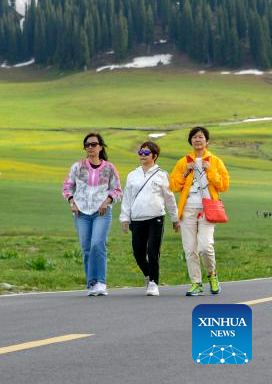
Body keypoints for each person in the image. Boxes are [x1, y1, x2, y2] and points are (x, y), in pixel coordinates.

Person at [168, 126, 230, 296]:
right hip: (187, 210)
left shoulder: (216, 161)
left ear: (206, 141)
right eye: (194, 137)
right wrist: (187, 171)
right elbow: (173, 186)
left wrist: (210, 170)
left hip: (208, 209)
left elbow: (224, 185)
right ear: (191, 141)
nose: (197, 139)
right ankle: (196, 283)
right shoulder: (183, 162)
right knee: (190, 249)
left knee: (205, 247)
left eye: (201, 137)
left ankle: (212, 274)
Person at [63, 132, 122, 296]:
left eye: (94, 144)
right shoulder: (77, 166)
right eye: (87, 145)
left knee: (97, 244)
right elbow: (67, 187)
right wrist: (72, 202)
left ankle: (101, 282)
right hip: (81, 213)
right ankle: (92, 283)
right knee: (86, 248)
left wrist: (107, 201)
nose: (90, 147)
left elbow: (117, 190)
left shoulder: (109, 168)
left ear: (100, 147)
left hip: (101, 212)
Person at [119, 140, 179, 296]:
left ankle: (153, 282)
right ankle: (147, 275)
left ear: (154, 156)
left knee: (152, 251)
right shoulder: (133, 175)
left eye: (146, 153)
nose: (142, 155)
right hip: (137, 219)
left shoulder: (162, 175)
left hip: (156, 218)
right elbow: (127, 198)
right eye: (141, 152)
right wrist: (125, 218)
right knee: (138, 253)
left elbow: (169, 198)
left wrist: (175, 218)